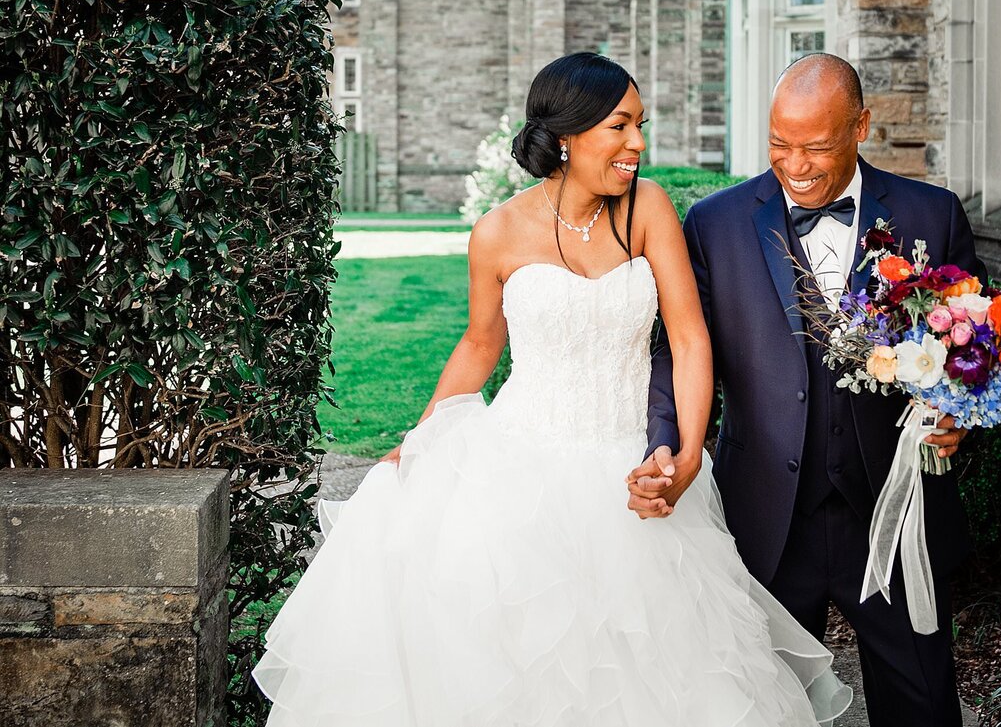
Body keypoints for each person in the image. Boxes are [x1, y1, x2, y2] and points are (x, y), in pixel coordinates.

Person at [251, 52, 850, 726]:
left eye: (640, 125)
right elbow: (480, 345)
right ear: (568, 133)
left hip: (633, 467)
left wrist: (683, 456)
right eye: (621, 126)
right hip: (518, 466)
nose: (638, 144)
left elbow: (687, 339)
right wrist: (417, 441)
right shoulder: (498, 232)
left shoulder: (648, 208)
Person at [631, 53, 985, 727]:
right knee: (763, 707)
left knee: (923, 702)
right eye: (779, 146)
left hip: (892, 511)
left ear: (861, 128)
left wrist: (959, 412)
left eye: (817, 146)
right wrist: (666, 444)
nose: (796, 165)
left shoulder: (930, 215)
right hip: (763, 513)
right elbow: (677, 352)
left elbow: (975, 343)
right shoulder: (715, 223)